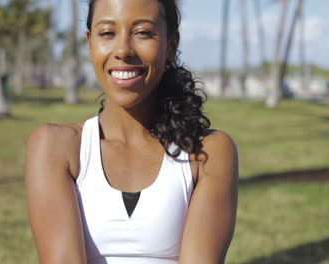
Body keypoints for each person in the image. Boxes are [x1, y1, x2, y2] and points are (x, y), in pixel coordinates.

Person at [25, 0, 239, 263]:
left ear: (171, 45)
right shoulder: (56, 148)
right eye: (107, 33)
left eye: (143, 32)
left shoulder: (206, 153)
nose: (123, 50)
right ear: (90, 44)